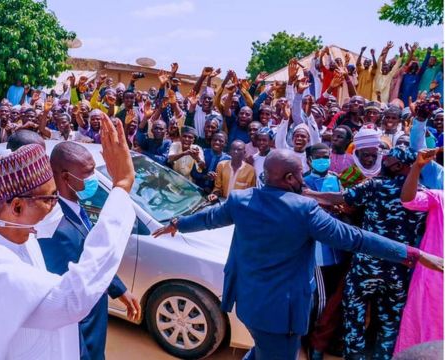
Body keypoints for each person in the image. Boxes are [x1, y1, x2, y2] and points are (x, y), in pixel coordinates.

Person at [152, 148, 442, 359]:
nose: (304, 176)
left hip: (249, 304)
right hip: (281, 317)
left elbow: (209, 217)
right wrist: (413, 253)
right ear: (290, 178)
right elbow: (355, 238)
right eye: (301, 173)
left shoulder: (240, 200)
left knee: (262, 351)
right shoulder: (305, 211)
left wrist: (176, 224)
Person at [0, 117, 137, 360]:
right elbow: (70, 300)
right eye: (49, 199)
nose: (55, 206)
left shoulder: (23, 237)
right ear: (18, 207)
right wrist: (122, 186)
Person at [305, 147, 428, 359]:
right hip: (399, 271)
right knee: (389, 324)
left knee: (354, 318)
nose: (382, 161)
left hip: (366, 268)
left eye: (387, 158)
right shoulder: (423, 195)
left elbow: (339, 199)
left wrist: (309, 194)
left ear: (397, 165)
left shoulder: (375, 186)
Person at [38, 141, 141, 359]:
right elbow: (66, 299)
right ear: (66, 177)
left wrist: (119, 290)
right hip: (83, 335)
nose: (94, 177)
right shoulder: (55, 226)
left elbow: (90, 257)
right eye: (88, 172)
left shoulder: (75, 205)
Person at [394, 148, 443, 354]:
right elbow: (408, 200)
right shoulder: (440, 198)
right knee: (423, 335)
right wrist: (416, 168)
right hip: (433, 280)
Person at [303, 144, 347, 360]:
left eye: (326, 157)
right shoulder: (303, 181)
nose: (324, 160)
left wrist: (336, 206)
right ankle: (313, 344)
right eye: (319, 157)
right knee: (320, 300)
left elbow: (340, 201)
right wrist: (327, 204)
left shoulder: (335, 177)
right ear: (309, 160)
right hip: (318, 251)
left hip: (336, 247)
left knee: (334, 299)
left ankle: (327, 341)